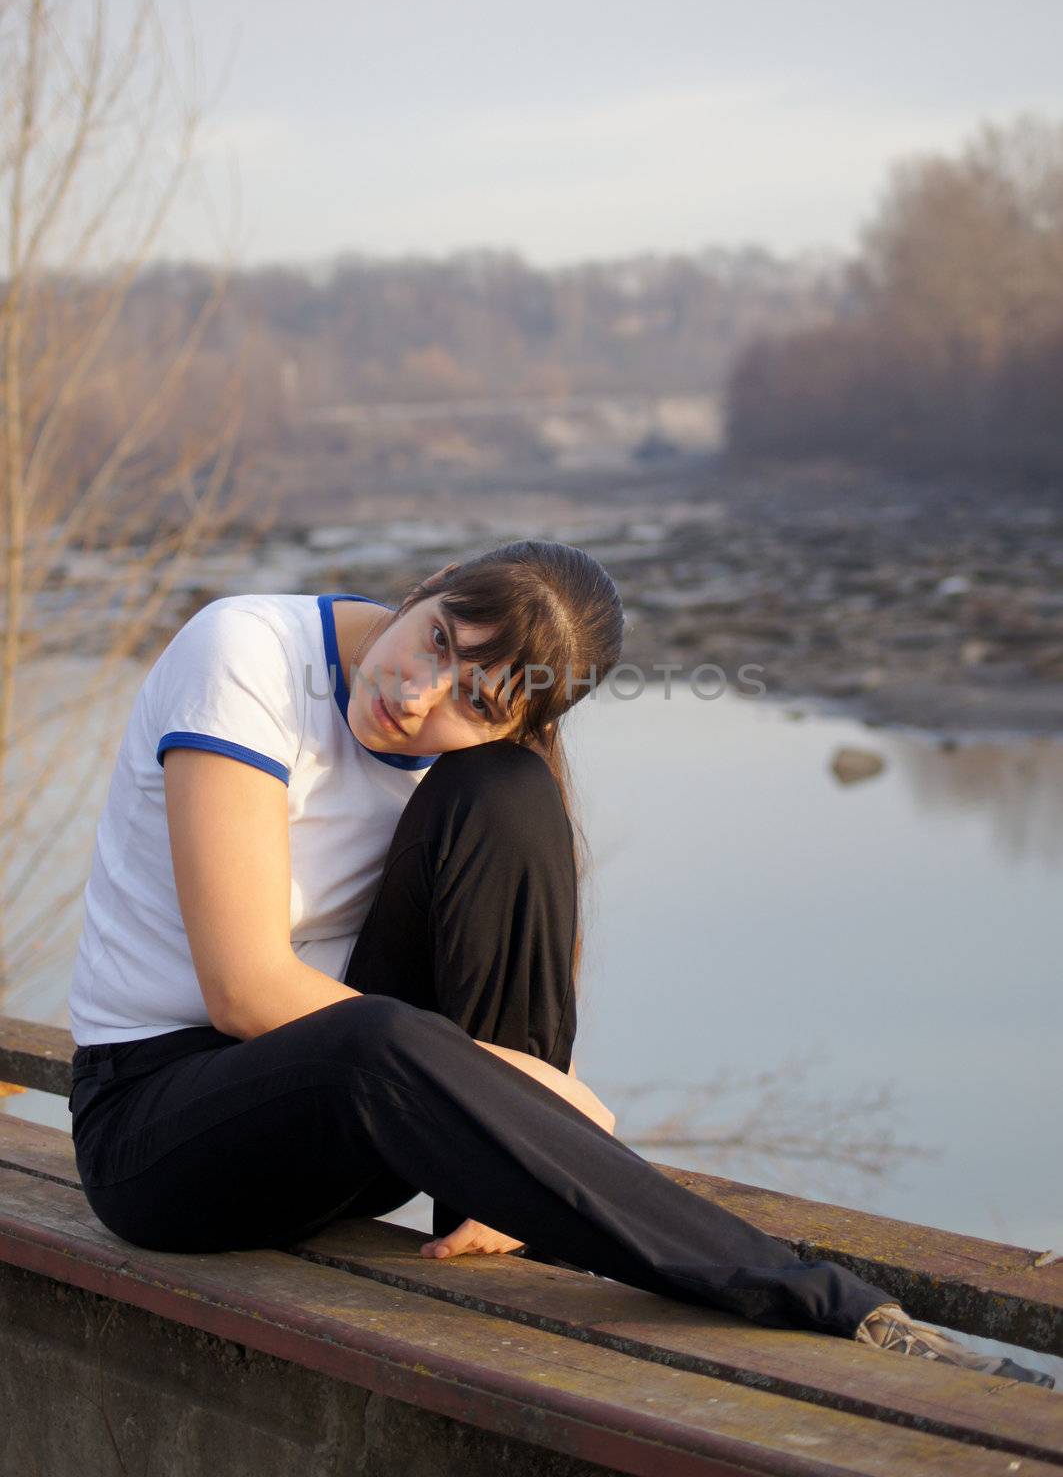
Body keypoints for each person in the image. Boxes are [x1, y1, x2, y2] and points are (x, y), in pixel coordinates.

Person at [66, 539, 1052, 1387]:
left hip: (357, 1112)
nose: (417, 694)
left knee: (508, 797)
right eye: (440, 639)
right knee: (367, 1037)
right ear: (435, 585)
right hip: (159, 1136)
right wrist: (522, 1084)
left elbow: (399, 992)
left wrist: (494, 1077)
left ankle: (493, 1193)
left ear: (515, 712)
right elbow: (244, 991)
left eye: (473, 699)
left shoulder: (490, 750)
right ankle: (822, 1303)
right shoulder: (246, 651)